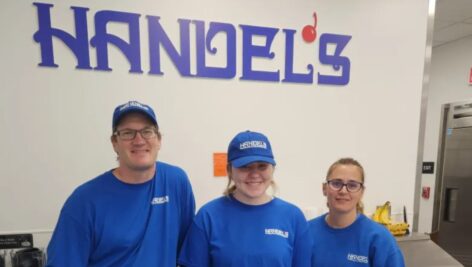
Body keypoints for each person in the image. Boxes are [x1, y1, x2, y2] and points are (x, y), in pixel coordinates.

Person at [46, 100, 195, 266]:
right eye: (127, 133)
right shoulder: (84, 201)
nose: (139, 140)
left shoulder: (176, 182)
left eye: (147, 131)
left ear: (159, 139)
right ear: (114, 143)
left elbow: (186, 252)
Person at [178, 130, 312, 267]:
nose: (255, 174)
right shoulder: (208, 217)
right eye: (245, 167)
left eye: (262, 166)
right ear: (229, 170)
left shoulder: (293, 217)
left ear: (273, 169)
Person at [309, 157, 405, 267]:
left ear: (362, 192)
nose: (343, 191)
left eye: (352, 185)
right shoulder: (307, 232)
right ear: (324, 188)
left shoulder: (380, 239)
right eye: (336, 183)